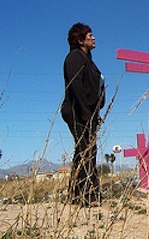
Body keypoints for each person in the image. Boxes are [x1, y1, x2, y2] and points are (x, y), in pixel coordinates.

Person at [61, 22, 105, 207]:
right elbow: (75, 86)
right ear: (80, 39)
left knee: (84, 151)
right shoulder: (74, 57)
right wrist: (86, 112)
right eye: (89, 35)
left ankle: (76, 193)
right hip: (77, 112)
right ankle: (87, 194)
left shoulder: (88, 59)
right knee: (86, 151)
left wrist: (95, 112)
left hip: (88, 113)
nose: (93, 38)